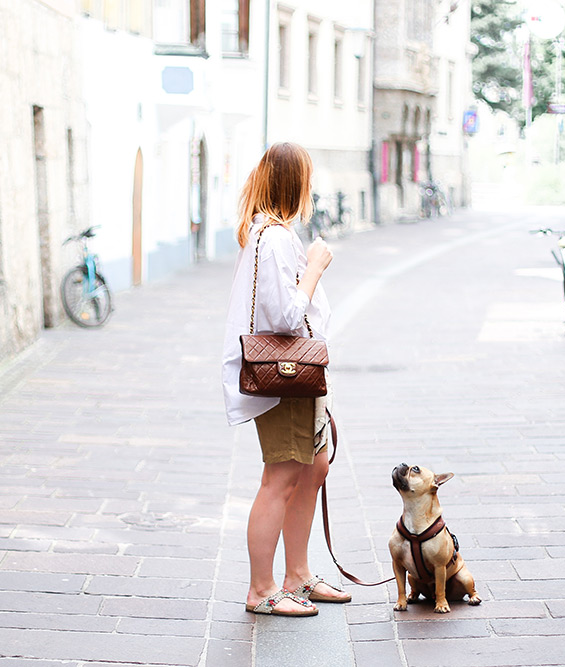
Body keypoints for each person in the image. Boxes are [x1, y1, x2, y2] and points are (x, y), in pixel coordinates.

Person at [222, 142, 351, 616]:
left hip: (302, 375)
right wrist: (314, 269)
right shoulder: (273, 237)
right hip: (286, 376)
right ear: (294, 184)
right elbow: (284, 315)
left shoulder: (269, 234)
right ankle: (262, 589)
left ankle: (297, 576)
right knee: (279, 478)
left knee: (313, 468)